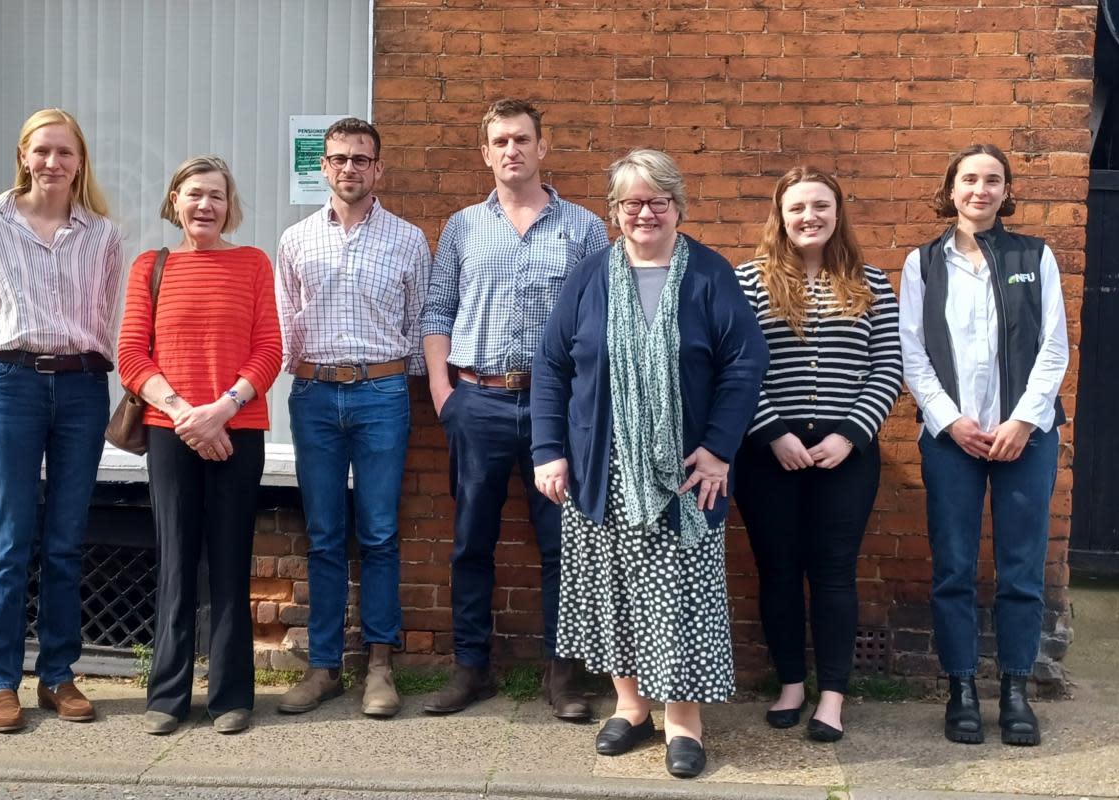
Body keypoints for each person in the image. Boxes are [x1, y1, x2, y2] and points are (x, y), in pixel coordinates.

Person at [530, 149, 769, 778]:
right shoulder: (589, 278)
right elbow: (553, 367)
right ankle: (631, 706)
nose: (645, 212)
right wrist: (549, 451)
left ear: (678, 207)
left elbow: (745, 367)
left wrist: (718, 449)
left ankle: (683, 722)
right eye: (632, 202)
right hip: (599, 470)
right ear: (614, 211)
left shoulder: (711, 277)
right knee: (612, 592)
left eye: (657, 201)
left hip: (686, 474)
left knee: (682, 594)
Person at [419, 98, 609, 719]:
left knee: (563, 545)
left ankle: (563, 675)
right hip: (479, 400)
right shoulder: (462, 227)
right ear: (486, 153)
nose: (512, 151)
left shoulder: (581, 227)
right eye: (500, 141)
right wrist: (446, 395)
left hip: (555, 410)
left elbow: (599, 320)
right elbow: (437, 311)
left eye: (522, 139)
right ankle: (471, 668)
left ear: (542, 148)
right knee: (472, 541)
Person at [0, 108, 122, 733]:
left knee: (64, 540)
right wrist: (11, 381)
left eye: (66, 153)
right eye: (43, 151)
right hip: (14, 385)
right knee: (10, 539)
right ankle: (1, 681)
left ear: (81, 162)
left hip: (82, 387)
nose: (54, 163)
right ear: (24, 155)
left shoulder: (102, 234)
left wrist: (76, 373)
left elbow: (106, 321)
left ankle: (58, 675)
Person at [900, 144, 1068, 747]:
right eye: (969, 179)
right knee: (953, 570)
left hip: (1028, 437)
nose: (980, 189)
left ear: (1005, 190)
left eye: (992, 180)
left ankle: (1017, 692)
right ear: (950, 189)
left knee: (1021, 569)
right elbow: (913, 354)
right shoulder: (923, 264)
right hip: (952, 442)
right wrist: (949, 421)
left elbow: (1054, 349)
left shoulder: (1034, 255)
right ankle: (962, 690)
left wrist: (1023, 421)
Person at [732, 167, 902, 742]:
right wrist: (771, 432)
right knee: (778, 571)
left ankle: (832, 695)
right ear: (780, 215)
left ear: (837, 212)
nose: (810, 217)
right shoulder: (748, 282)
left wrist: (851, 433)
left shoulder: (872, 283)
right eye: (798, 207)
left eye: (821, 206)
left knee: (833, 574)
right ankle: (790, 685)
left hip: (844, 453)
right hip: (768, 452)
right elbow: (733, 367)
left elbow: (887, 368)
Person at [117, 156, 281, 736]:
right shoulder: (150, 267)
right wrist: (188, 414)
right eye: (193, 195)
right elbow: (133, 357)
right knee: (177, 561)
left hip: (238, 428)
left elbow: (268, 350)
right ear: (175, 202)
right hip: (172, 432)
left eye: (215, 195)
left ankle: (232, 695)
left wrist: (222, 411)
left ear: (228, 205)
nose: (204, 205)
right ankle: (167, 696)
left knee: (232, 561)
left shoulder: (253, 264)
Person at [273, 118, 430, 718]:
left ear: (378, 169)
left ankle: (380, 667)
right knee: (324, 535)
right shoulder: (295, 241)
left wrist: (395, 378)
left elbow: (419, 326)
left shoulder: (409, 240)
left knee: (381, 531)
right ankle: (323, 667)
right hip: (313, 395)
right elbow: (285, 325)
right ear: (323, 168)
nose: (348, 169)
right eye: (338, 159)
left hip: (381, 394)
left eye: (360, 159)